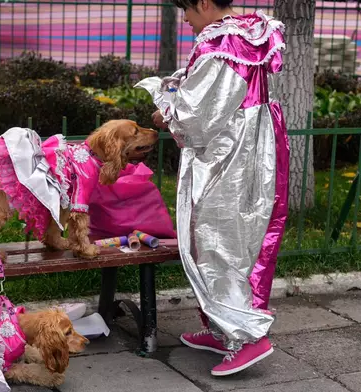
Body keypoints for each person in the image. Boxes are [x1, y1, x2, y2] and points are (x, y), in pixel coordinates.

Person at [135, 0, 289, 376]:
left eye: (185, 9)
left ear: (204, 2)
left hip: (229, 152)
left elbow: (200, 113)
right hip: (251, 142)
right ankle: (224, 330)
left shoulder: (222, 41)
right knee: (234, 237)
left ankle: (246, 338)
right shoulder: (249, 30)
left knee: (220, 240)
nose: (184, 19)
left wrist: (167, 108)